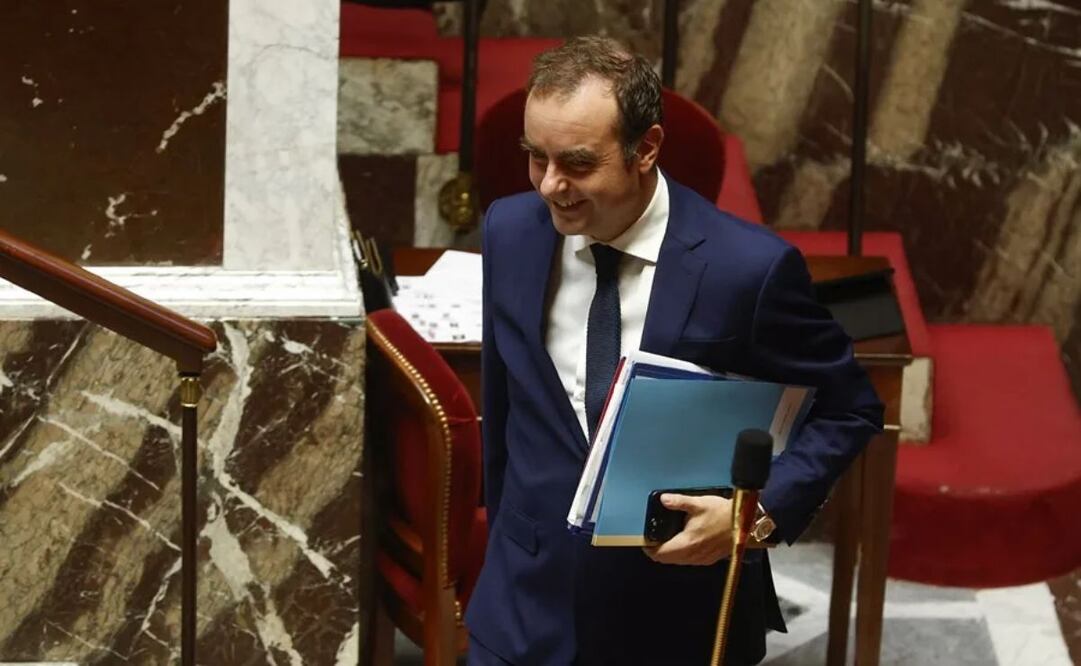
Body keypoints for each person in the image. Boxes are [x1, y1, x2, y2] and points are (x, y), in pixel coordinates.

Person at [465, 36, 883, 665]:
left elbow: (849, 409)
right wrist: (504, 553)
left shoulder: (748, 270)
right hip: (522, 610)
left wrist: (753, 516)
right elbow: (504, 411)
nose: (550, 185)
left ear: (646, 148)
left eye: (577, 163)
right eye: (535, 157)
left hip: (675, 619)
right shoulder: (509, 230)